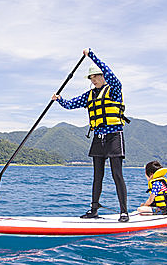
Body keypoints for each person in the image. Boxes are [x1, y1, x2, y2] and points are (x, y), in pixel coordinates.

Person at [52, 48, 129, 221]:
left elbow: (110, 72)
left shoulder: (114, 89)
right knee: (97, 176)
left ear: (103, 77)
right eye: (91, 78)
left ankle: (124, 211)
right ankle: (94, 210)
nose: (93, 80)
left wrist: (91, 56)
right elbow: (71, 104)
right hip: (98, 138)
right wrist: (59, 99)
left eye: (96, 76)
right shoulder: (89, 95)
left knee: (117, 174)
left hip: (114, 135)